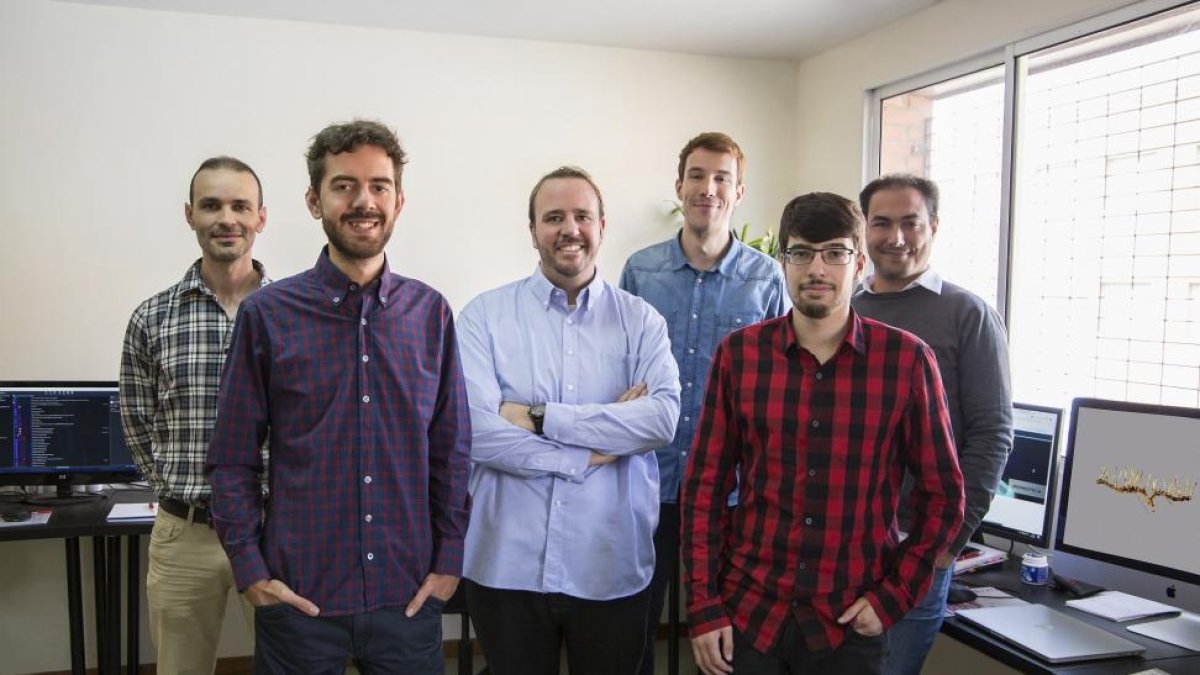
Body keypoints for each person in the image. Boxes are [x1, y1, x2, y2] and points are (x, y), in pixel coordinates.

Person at [206, 120, 472, 674]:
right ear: (313, 200)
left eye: (378, 186)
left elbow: (451, 453)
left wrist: (449, 563)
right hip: (300, 600)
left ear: (399, 201)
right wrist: (250, 570)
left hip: (408, 598)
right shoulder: (268, 315)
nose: (363, 201)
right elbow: (231, 459)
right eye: (344, 185)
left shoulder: (431, 315)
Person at [681, 192, 965, 675]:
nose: (818, 268)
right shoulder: (740, 356)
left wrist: (895, 596)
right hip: (750, 615)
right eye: (801, 253)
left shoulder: (906, 361)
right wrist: (705, 606)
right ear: (781, 261)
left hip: (849, 623)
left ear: (858, 263)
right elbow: (705, 487)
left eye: (835, 253)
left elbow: (944, 495)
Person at [458, 166, 681, 675]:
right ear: (532, 228)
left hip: (610, 562)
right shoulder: (483, 317)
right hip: (506, 565)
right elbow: (474, 432)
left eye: (582, 216)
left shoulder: (642, 322)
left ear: (602, 225)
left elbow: (661, 420)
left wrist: (536, 416)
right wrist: (595, 450)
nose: (569, 229)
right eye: (553, 217)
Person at [619, 131, 788, 674]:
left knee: (728, 637)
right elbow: (618, 369)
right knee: (633, 627)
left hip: (734, 493)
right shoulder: (641, 271)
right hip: (649, 483)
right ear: (679, 186)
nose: (708, 189)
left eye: (721, 178)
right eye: (697, 176)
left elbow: (783, 380)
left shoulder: (765, 279)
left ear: (739, 192)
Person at [851, 174, 1013, 675]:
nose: (895, 237)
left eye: (910, 223)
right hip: (845, 543)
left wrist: (948, 542)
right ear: (865, 230)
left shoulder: (967, 315)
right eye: (881, 223)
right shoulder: (845, 309)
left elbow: (992, 433)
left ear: (933, 227)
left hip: (918, 547)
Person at [119, 156, 269, 675]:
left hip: (278, 531)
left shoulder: (294, 312)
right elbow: (136, 422)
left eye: (239, 205)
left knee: (294, 665)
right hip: (186, 533)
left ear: (260, 218)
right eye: (211, 205)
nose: (226, 218)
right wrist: (175, 490)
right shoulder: (152, 318)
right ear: (190, 215)